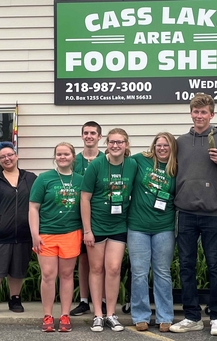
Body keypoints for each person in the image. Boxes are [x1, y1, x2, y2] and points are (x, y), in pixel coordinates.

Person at [170, 93, 217, 336]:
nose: (199, 116)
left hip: (214, 213)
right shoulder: (180, 142)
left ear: (211, 114)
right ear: (191, 113)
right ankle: (192, 316)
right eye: (195, 112)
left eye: (203, 112)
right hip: (185, 212)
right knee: (186, 265)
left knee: (215, 265)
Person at [81, 128, 137, 332]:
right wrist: (87, 230)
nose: (115, 146)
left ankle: (111, 314)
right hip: (96, 226)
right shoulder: (96, 165)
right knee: (96, 269)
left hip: (119, 225)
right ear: (106, 143)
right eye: (112, 142)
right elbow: (84, 198)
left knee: (113, 269)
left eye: (120, 142)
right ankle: (98, 314)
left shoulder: (132, 164)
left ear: (126, 144)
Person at [29, 142, 83, 332]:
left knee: (67, 275)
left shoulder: (80, 180)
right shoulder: (44, 179)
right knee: (48, 275)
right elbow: (33, 208)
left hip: (71, 232)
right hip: (47, 234)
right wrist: (35, 234)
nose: (62, 157)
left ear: (73, 156)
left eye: (66, 154)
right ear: (54, 157)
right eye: (59, 154)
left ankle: (65, 315)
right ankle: (47, 315)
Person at [0, 141, 36, 315]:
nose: (7, 158)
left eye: (10, 155)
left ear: (16, 156)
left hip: (24, 235)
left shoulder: (30, 178)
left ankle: (15, 299)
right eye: (3, 157)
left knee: (18, 269)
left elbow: (38, 201)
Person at [127, 132, 178, 333]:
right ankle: (140, 315)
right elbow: (119, 160)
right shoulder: (141, 160)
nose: (162, 148)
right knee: (139, 272)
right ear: (153, 146)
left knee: (162, 273)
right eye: (159, 145)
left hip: (163, 227)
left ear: (172, 147)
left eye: (166, 145)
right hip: (138, 226)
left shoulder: (177, 168)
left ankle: (165, 316)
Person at [70, 121, 106, 317]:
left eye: (93, 133)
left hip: (102, 217)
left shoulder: (106, 159)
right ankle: (84, 300)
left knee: (103, 262)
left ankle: (101, 299)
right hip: (79, 218)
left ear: (100, 137)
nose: (89, 136)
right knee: (83, 260)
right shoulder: (74, 161)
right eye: (86, 133)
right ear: (82, 136)